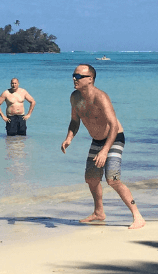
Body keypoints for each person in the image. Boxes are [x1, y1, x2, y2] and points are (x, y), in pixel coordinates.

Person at [61, 64, 145, 229]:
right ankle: (99, 212)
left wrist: (105, 151)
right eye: (73, 75)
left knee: (113, 179)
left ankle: (138, 216)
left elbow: (113, 125)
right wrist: (69, 137)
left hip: (114, 138)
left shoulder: (101, 97)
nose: (74, 78)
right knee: (91, 179)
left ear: (90, 79)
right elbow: (74, 120)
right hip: (97, 140)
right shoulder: (74, 97)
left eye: (78, 76)